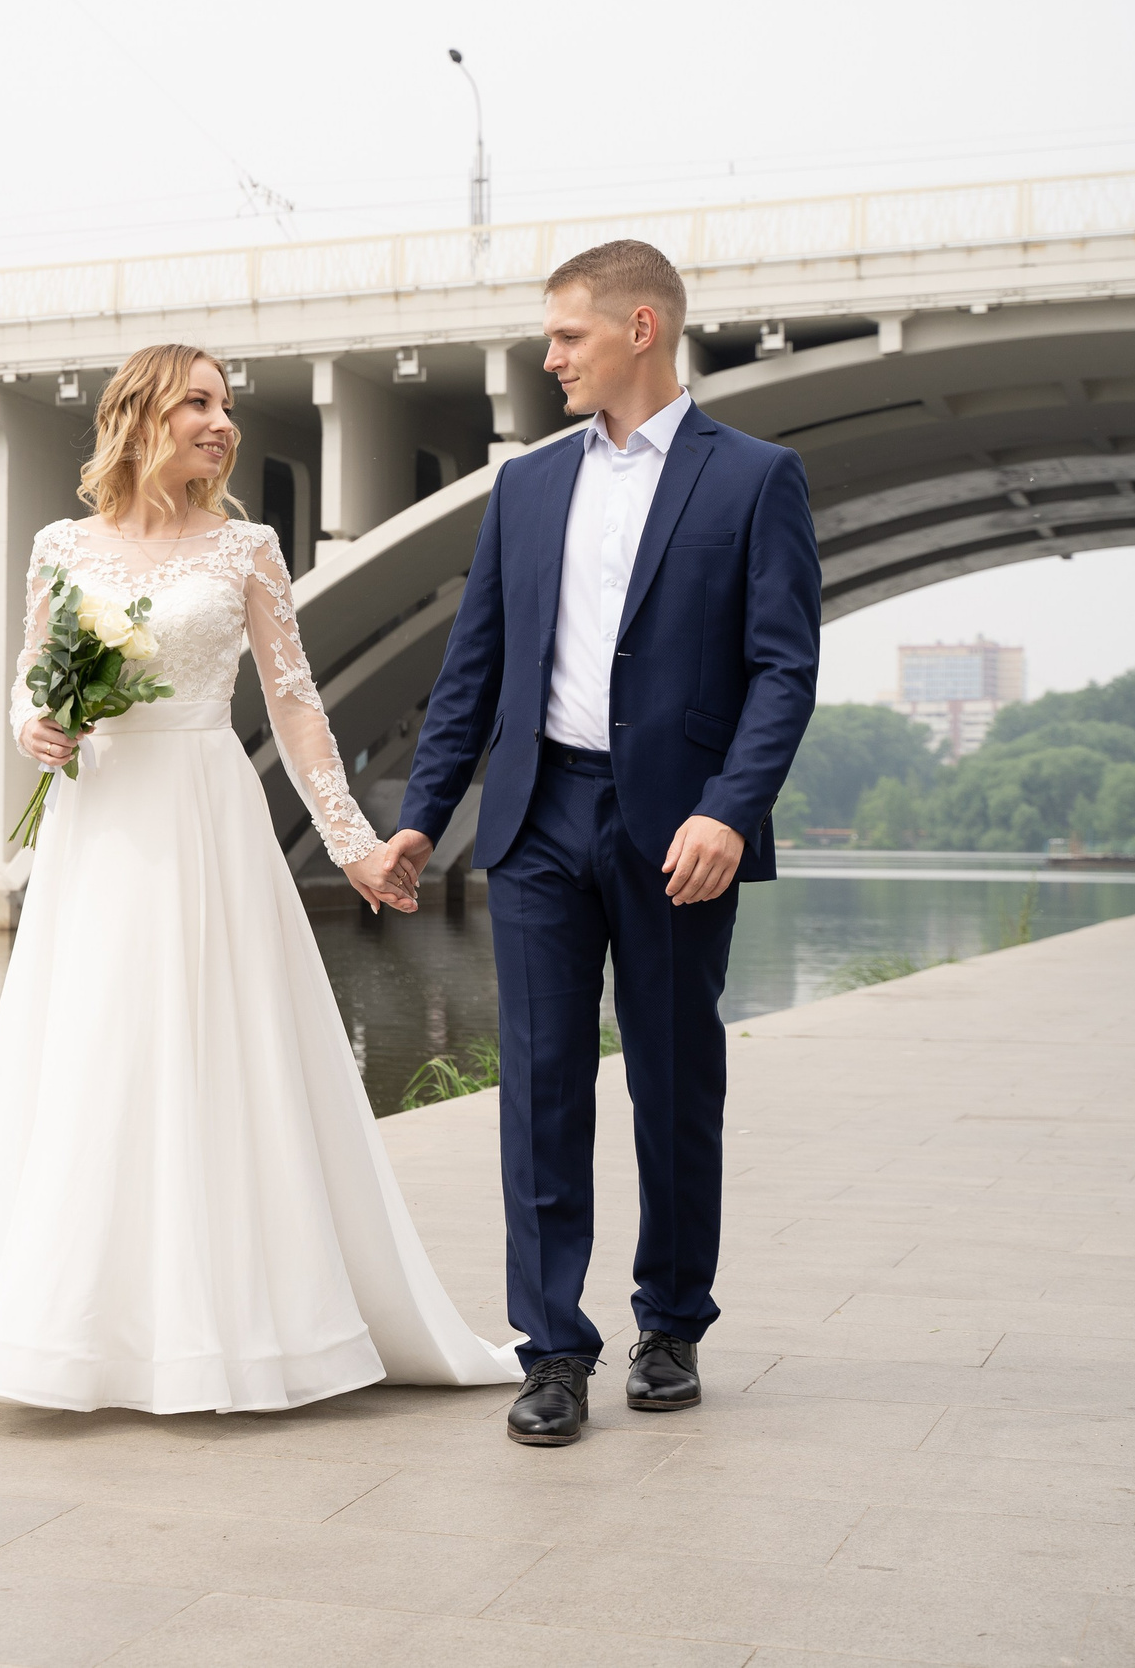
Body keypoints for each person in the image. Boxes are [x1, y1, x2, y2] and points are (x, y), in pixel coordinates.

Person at [0, 343, 520, 1414]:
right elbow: (26, 682)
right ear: (140, 415)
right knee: (92, 1053)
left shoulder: (247, 551)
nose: (221, 423)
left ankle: (223, 1329)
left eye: (226, 407)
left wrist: (351, 843)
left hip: (201, 816)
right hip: (98, 824)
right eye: (198, 403)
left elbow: (295, 706)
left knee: (209, 1050)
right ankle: (70, 1334)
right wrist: (33, 727)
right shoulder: (61, 545)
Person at [373, 240, 821, 1445]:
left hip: (678, 824)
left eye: (565, 336)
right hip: (536, 820)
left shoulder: (755, 479)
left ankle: (670, 1323)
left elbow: (783, 671)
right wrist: (420, 820)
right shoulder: (525, 485)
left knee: (676, 1080)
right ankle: (551, 1351)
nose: (548, 355)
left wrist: (728, 808)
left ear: (638, 328)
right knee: (539, 1086)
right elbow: (473, 671)